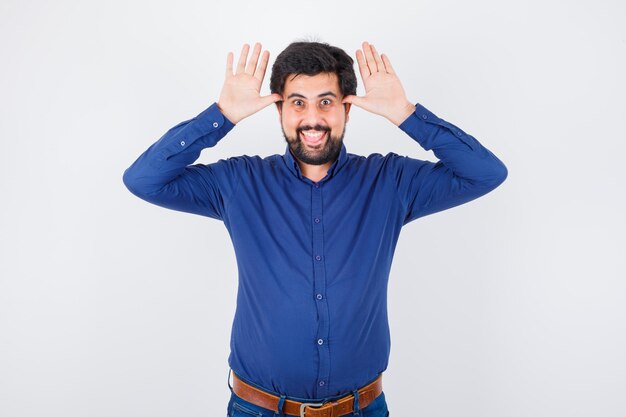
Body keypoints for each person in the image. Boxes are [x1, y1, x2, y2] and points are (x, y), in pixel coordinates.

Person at [123, 40, 508, 417]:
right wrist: (220, 115)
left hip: (362, 408)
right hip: (258, 409)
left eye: (326, 102)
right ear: (279, 111)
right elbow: (144, 180)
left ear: (347, 110)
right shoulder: (239, 181)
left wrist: (406, 114)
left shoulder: (390, 181)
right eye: (297, 103)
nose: (312, 118)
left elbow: (485, 173)